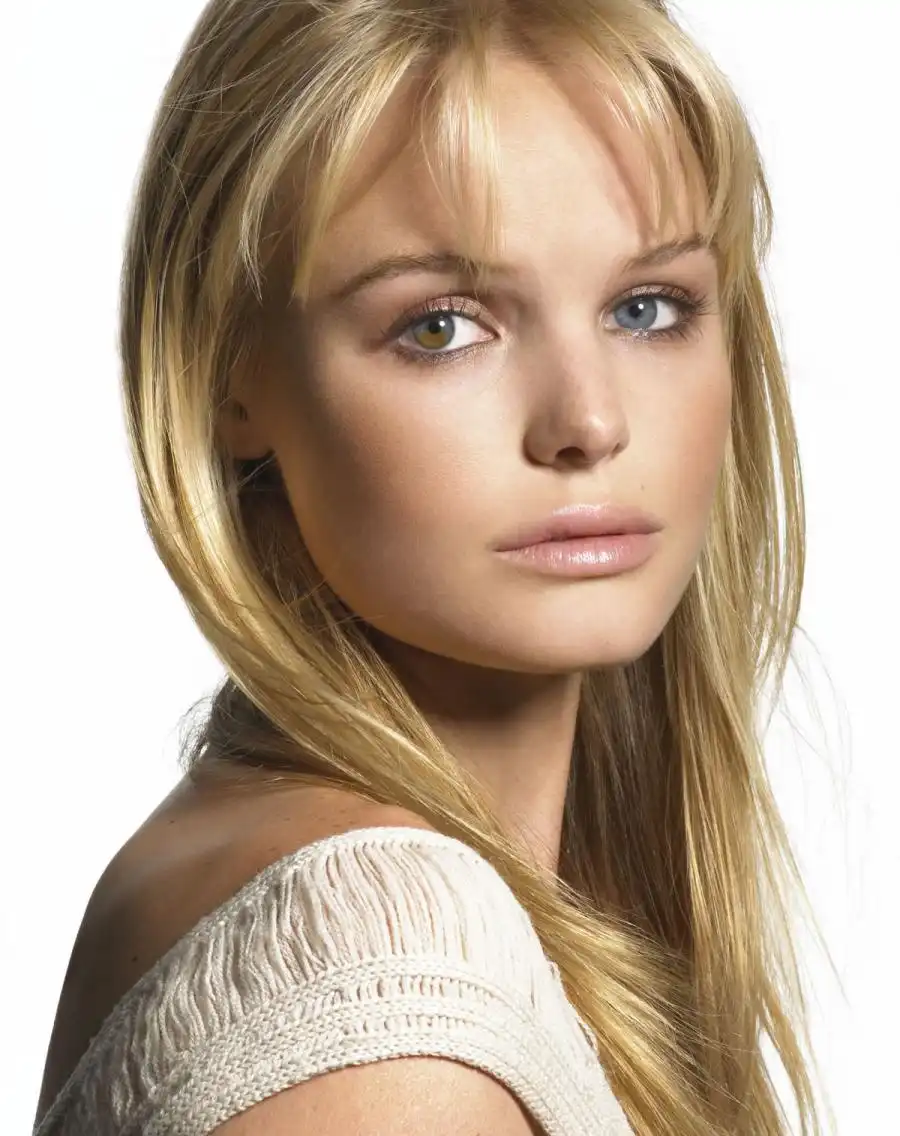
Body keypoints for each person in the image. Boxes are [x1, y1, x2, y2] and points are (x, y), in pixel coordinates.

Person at [32, 1, 837, 1133]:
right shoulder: (387, 1001)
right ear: (227, 374)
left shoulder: (266, 850)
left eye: (647, 307)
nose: (589, 422)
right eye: (442, 327)